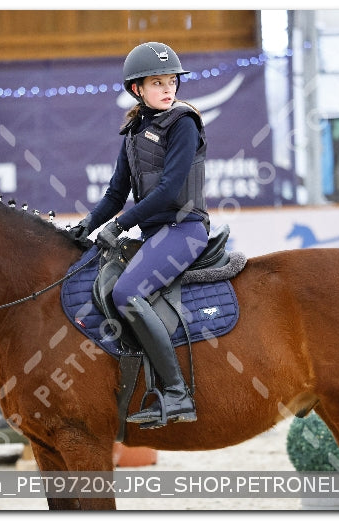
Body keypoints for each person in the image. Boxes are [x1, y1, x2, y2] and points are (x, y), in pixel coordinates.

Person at [69, 42, 209, 428]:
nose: (168, 89)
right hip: (154, 234)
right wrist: (87, 225)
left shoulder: (183, 122)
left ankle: (177, 394)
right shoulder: (133, 131)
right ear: (138, 89)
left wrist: (119, 225)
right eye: (158, 83)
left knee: (126, 292)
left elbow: (168, 190)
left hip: (184, 229)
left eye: (171, 81)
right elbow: (116, 193)